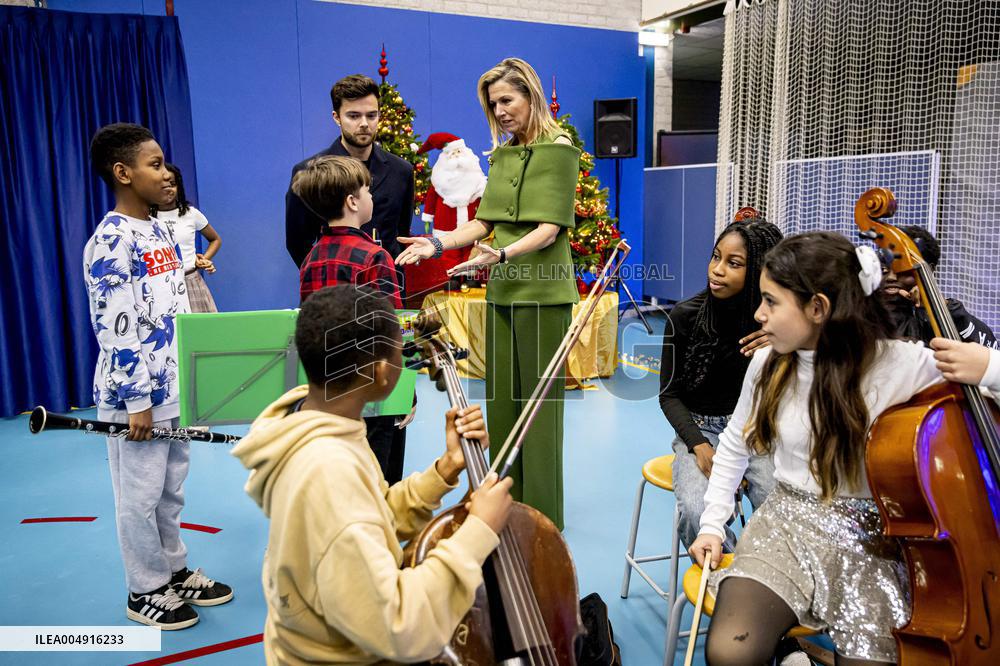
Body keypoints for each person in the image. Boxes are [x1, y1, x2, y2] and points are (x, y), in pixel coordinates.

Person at [688, 231, 1000, 665]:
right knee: (730, 652)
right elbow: (734, 445)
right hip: (786, 524)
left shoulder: (900, 363)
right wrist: (712, 525)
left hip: (872, 540)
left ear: (818, 308)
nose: (759, 313)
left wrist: (990, 367)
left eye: (771, 302)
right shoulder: (767, 361)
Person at [231, 284, 513, 664]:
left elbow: (374, 513)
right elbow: (400, 627)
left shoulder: (322, 421)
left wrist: (446, 468)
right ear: (380, 372)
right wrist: (479, 530)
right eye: (399, 352)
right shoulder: (329, 472)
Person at [395, 58, 580, 530]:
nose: (499, 111)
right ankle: (503, 507)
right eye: (493, 104)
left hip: (543, 292)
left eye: (507, 100)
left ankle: (543, 520)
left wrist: (501, 255)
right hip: (502, 290)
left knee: (539, 414)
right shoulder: (501, 155)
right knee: (501, 405)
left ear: (531, 96)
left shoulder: (559, 149)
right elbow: (484, 222)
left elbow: (549, 228)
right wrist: (437, 243)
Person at [84, 123, 232, 630]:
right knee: (139, 496)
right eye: (155, 164)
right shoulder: (110, 240)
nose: (166, 173)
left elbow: (177, 312)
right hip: (137, 401)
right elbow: (115, 327)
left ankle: (172, 570)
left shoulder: (162, 232)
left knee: (170, 491)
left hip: (173, 390)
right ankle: (144, 588)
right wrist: (137, 402)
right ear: (123, 173)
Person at [658, 219, 783, 552]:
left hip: (756, 430)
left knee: (779, 506)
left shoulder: (775, 324)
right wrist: (698, 445)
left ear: (758, 271)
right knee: (696, 512)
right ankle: (726, 578)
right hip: (701, 430)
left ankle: (764, 573)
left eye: (734, 263)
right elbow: (669, 396)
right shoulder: (684, 316)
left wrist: (782, 343)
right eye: (716, 257)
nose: (717, 269)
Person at [293, 155, 410, 483]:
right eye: (368, 190)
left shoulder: (311, 258)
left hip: (329, 390)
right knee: (380, 479)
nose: (372, 196)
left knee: (342, 475)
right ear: (353, 201)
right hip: (372, 386)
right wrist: (406, 392)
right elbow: (393, 328)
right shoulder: (375, 257)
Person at [285, 74, 414, 269]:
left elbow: (401, 234)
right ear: (336, 117)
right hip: (333, 282)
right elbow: (297, 242)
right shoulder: (308, 172)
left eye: (371, 115)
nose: (364, 123)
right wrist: (325, 274)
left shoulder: (402, 171)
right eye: (353, 116)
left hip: (387, 281)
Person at [879, 224, 998, 349]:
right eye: (884, 268)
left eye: (902, 269)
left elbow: (990, 353)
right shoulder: (869, 312)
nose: (891, 277)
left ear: (928, 270)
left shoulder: (947, 313)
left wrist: (947, 309)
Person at [153, 163, 222, 313]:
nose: (168, 188)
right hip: (160, 286)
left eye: (172, 184)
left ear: (179, 187)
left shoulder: (191, 214)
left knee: (200, 327)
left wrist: (203, 259)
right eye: (162, 185)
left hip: (191, 282)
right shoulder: (146, 217)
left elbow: (215, 239)